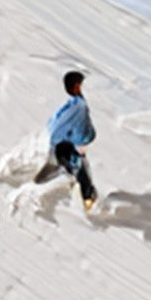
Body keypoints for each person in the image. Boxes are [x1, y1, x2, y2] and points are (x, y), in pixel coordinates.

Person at [48, 70, 98, 210]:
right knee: (78, 168)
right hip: (65, 146)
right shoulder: (77, 105)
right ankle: (87, 199)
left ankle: (86, 197)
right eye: (80, 84)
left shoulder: (73, 104)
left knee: (79, 168)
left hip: (64, 145)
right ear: (76, 86)